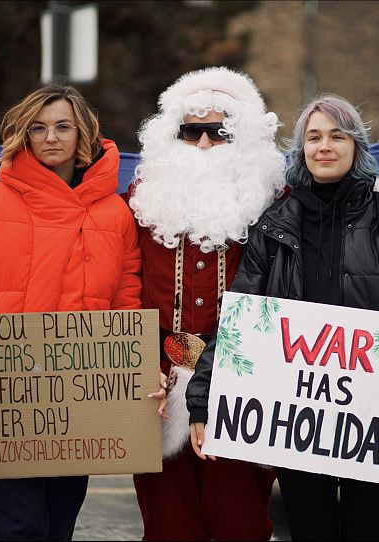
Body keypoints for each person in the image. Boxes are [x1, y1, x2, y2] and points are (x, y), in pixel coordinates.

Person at [186, 95, 379, 541]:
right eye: (313, 137)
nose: (325, 146)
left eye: (337, 135)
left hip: (376, 420)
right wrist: (202, 397)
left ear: (356, 147)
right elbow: (239, 321)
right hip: (298, 424)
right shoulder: (275, 225)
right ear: (301, 151)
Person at [0, 84, 142, 540]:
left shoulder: (115, 214)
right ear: (23, 136)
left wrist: (138, 365)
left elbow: (126, 297)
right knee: (18, 529)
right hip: (1, 399)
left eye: (63, 126)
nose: (51, 138)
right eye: (38, 128)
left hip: (76, 403)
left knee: (57, 527)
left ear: (83, 134)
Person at [126, 66, 287, 541]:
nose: (201, 144)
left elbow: (345, 207)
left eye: (218, 132)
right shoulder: (137, 202)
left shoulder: (276, 202)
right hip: (154, 382)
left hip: (243, 381)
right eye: (189, 131)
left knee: (241, 520)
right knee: (167, 524)